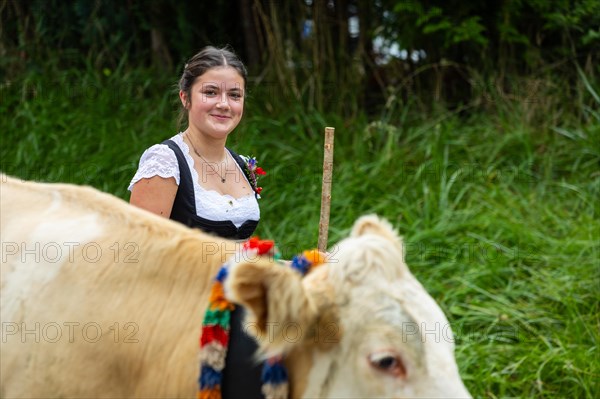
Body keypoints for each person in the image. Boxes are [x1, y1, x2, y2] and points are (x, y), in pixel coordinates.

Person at [128, 46, 265, 398]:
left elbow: (242, 250)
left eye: (234, 95)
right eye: (210, 92)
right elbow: (138, 256)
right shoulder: (166, 161)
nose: (224, 104)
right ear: (185, 98)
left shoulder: (241, 164)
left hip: (235, 312)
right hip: (176, 320)